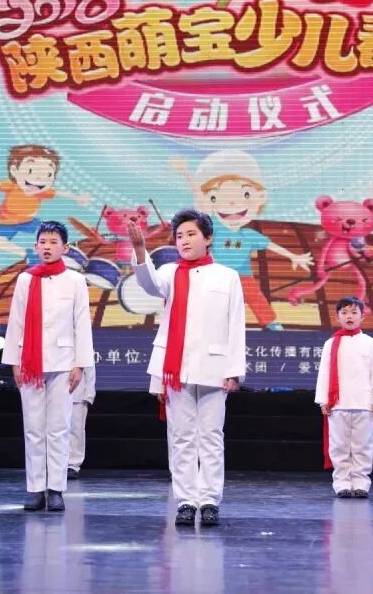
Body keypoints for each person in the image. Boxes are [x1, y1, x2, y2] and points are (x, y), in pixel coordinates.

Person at [128, 209, 246, 526]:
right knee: (180, 437)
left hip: (214, 367)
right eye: (179, 236)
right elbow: (149, 284)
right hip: (175, 367)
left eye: (191, 234)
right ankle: (185, 501)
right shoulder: (169, 272)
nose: (184, 241)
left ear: (208, 238)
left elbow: (236, 325)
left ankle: (209, 500)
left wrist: (234, 369)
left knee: (211, 436)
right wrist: (140, 250)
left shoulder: (226, 276)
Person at [2, 221, 94, 512]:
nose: (47, 247)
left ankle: (56, 489)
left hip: (63, 363)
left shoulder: (75, 281)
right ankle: (35, 488)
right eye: (43, 241)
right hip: (30, 362)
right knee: (33, 427)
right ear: (36, 246)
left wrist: (80, 364)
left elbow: (82, 323)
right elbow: (16, 321)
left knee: (58, 427)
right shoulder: (25, 279)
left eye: (53, 242)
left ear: (65, 248)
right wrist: (14, 361)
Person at [172, 151, 312, 330]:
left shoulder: (249, 235)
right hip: (217, 274)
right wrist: (185, 173)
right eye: (217, 197)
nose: (231, 204)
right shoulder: (215, 226)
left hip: (243, 276)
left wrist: (294, 256)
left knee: (255, 297)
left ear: (260, 198)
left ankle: (271, 323)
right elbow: (200, 197)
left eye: (244, 195)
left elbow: (271, 246)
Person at [0, 144, 92, 262]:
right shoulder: (11, 186)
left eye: (48, 174)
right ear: (14, 171)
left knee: (51, 233)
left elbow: (59, 193)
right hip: (7, 223)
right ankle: (28, 255)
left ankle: (68, 250)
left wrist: (77, 197)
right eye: (31, 171)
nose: (39, 178)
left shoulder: (42, 192)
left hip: (29, 221)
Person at [315, 296, 373, 498]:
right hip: (338, 403)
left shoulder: (370, 343)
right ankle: (342, 483)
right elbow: (324, 373)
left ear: (362, 316)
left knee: (363, 446)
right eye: (344, 313)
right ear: (338, 317)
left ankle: (361, 482)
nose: (349, 317)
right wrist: (323, 400)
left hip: (364, 402)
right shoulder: (330, 343)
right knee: (339, 446)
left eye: (354, 312)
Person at [68, 363, 96, 480]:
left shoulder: (83, 349)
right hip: (55, 392)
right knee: (54, 431)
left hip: (78, 393)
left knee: (76, 431)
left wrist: (89, 393)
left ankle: (73, 465)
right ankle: (54, 464)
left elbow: (89, 367)